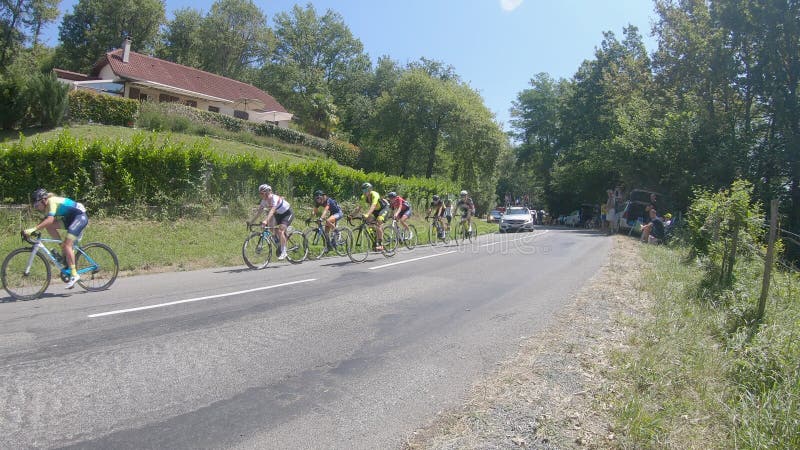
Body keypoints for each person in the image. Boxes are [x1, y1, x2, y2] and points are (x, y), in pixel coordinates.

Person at [24, 188, 88, 289]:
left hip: (79, 216)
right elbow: (46, 223)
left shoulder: (52, 201)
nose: (36, 207)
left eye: (36, 204)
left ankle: (75, 275)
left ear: (43, 200)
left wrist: (33, 229)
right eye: (34, 206)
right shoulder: (46, 208)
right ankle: (63, 248)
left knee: (68, 245)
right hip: (70, 218)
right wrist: (33, 231)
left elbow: (50, 220)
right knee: (51, 228)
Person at [249, 184, 294, 260]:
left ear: (267, 192)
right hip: (278, 214)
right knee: (270, 227)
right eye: (260, 193)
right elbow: (259, 212)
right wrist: (251, 222)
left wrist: (265, 220)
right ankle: (279, 241)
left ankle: (284, 251)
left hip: (287, 213)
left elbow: (272, 211)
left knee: (280, 231)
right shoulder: (264, 201)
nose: (260, 195)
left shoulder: (274, 198)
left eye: (262, 193)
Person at [360, 182, 390, 250]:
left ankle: (381, 244)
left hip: (383, 208)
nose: (364, 192)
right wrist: (351, 215)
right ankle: (376, 237)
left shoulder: (375, 194)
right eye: (363, 190)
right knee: (368, 222)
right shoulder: (363, 197)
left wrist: (367, 214)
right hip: (376, 210)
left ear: (370, 189)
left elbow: (373, 206)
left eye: (366, 190)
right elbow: (359, 207)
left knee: (378, 222)